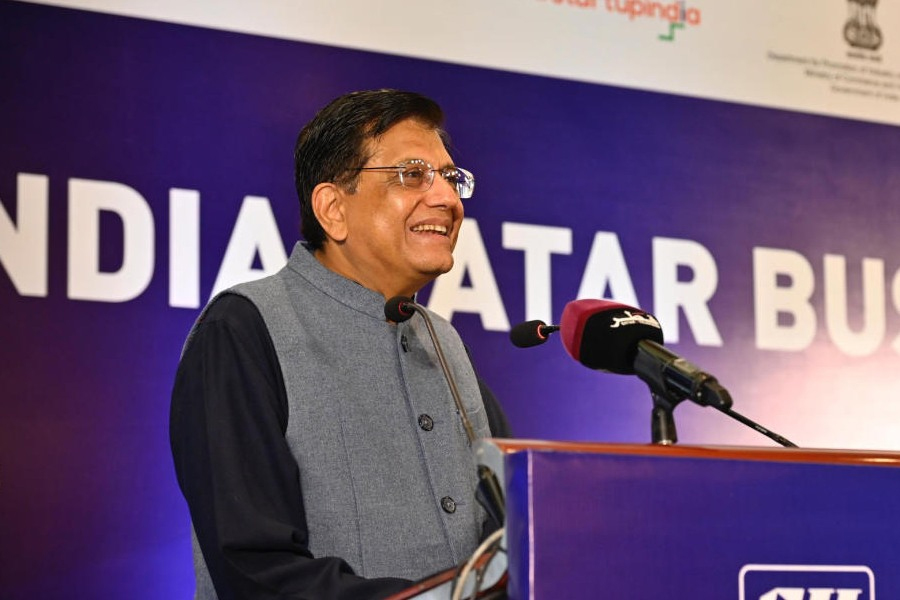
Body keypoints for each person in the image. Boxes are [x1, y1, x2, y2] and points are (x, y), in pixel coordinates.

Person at [170, 89, 510, 600]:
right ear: (332, 209)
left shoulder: (445, 342)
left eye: (449, 177)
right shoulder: (243, 330)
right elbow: (255, 571)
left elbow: (510, 534)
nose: (447, 199)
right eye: (413, 174)